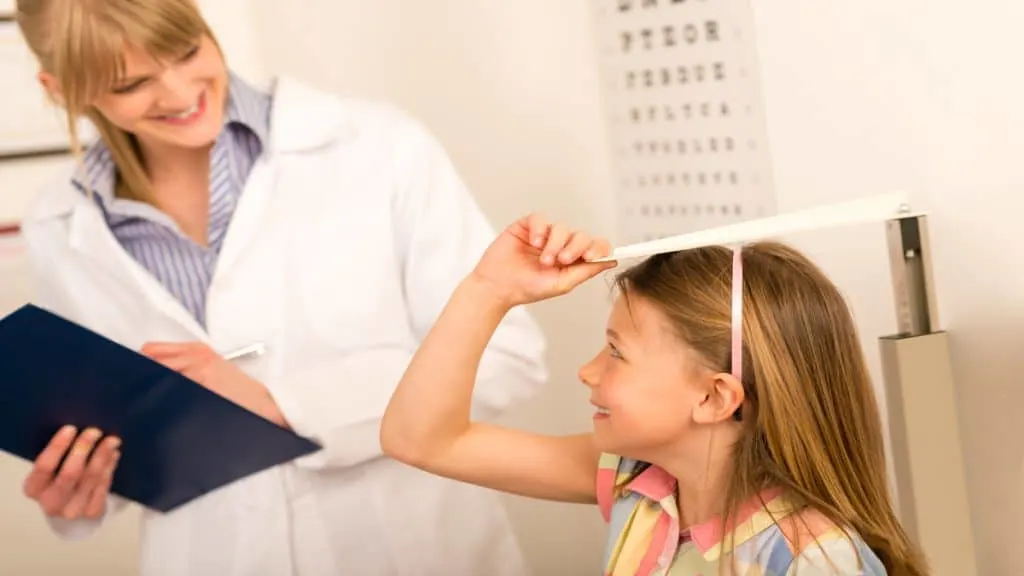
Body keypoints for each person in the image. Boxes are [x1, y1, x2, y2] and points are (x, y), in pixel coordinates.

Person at [13, 0, 548, 574]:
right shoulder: (59, 224)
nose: (177, 91)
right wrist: (79, 493)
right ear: (62, 88)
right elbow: (113, 428)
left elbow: (505, 356)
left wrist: (279, 404)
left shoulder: (377, 146)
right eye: (132, 83)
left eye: (188, 50)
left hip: (409, 544)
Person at [381, 213, 931, 575]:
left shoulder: (812, 560)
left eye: (616, 352)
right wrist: (490, 290)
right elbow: (422, 439)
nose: (587, 371)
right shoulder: (636, 482)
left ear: (715, 398)